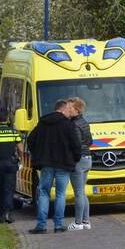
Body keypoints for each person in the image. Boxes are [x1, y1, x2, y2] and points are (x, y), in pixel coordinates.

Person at [26, 99, 82, 233]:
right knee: (60, 194)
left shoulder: (43, 123)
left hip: (46, 163)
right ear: (63, 109)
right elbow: (76, 145)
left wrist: (37, 154)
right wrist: (75, 159)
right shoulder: (68, 125)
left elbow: (30, 140)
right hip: (64, 164)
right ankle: (58, 225)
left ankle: (41, 225)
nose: (69, 112)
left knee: (44, 193)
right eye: (68, 109)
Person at [66, 96, 93, 231]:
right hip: (87, 158)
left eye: (70, 107)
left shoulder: (74, 124)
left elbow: (75, 144)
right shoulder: (84, 122)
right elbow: (90, 141)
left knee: (78, 192)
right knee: (82, 191)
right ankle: (86, 221)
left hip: (79, 159)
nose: (67, 109)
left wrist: (73, 157)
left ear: (76, 109)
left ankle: (78, 223)